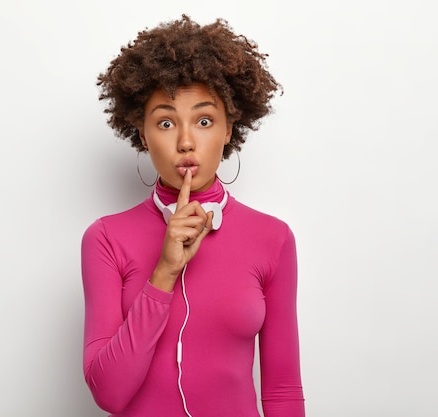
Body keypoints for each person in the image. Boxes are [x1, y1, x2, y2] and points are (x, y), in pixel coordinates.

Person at [80, 15, 305, 417]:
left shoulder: (274, 239)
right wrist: (164, 273)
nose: (186, 141)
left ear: (229, 127)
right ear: (142, 132)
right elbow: (109, 394)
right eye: (165, 122)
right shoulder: (105, 238)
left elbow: (283, 388)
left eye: (204, 121)